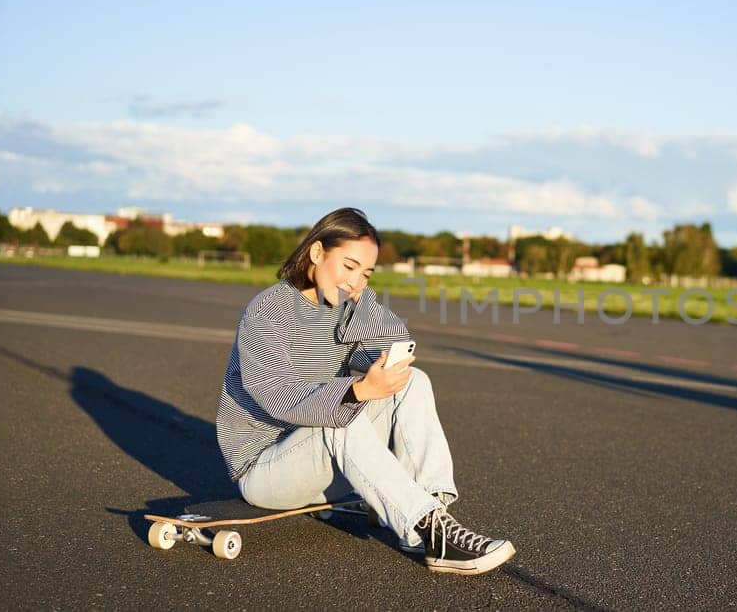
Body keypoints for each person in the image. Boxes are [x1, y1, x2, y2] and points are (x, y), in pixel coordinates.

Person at [216, 207, 515, 575]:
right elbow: (278, 396)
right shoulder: (266, 312)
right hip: (264, 469)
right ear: (316, 253)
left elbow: (396, 344)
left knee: (413, 380)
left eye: (367, 273)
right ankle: (429, 527)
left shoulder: (343, 308)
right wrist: (357, 391)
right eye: (349, 266)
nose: (357, 282)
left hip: (322, 462)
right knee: (340, 417)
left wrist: (362, 304)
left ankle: (428, 513)